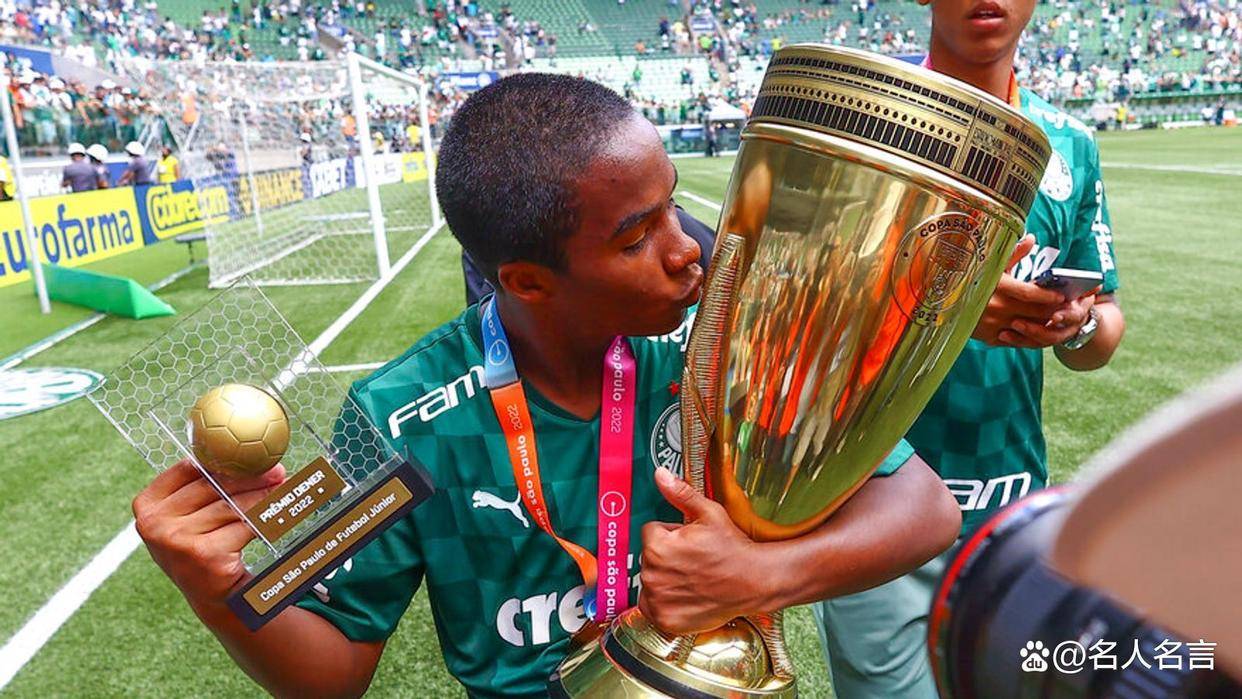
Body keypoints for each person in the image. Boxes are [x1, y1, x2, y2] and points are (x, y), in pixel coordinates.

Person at [130, 74, 962, 698]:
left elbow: (925, 508)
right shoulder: (395, 417)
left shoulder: (718, 343)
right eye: (637, 237)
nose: (687, 250)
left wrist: (761, 573)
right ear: (527, 282)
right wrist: (218, 590)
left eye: (673, 208)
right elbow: (333, 673)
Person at [810, 0, 1127, 696]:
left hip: (1011, 510)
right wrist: (941, 308)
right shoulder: (862, 120)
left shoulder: (1069, 143)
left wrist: (1072, 324)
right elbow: (793, 307)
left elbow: (1103, 326)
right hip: (872, 507)